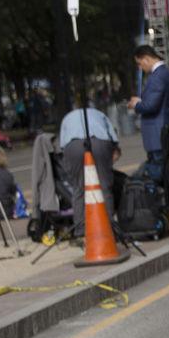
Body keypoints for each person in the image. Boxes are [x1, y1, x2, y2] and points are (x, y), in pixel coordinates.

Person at [58, 99, 121, 237]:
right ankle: (109, 227)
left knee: (79, 188)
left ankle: (81, 230)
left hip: (73, 145)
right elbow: (113, 138)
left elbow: (63, 145)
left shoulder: (67, 117)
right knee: (104, 186)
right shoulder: (100, 114)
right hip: (99, 141)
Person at [128, 44, 169, 182]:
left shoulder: (156, 77)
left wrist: (136, 104)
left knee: (157, 174)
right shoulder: (168, 74)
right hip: (168, 131)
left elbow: (151, 106)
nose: (140, 68)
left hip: (157, 136)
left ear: (146, 58)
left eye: (139, 63)